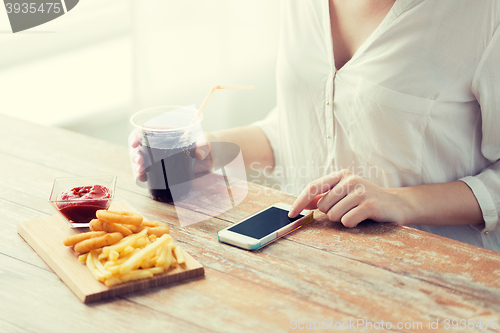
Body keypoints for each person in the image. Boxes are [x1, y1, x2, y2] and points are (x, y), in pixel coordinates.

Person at [132, 0, 500, 252]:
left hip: (440, 281)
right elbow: (304, 124)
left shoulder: (482, 14)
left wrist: (401, 201)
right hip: (311, 257)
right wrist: (209, 150)